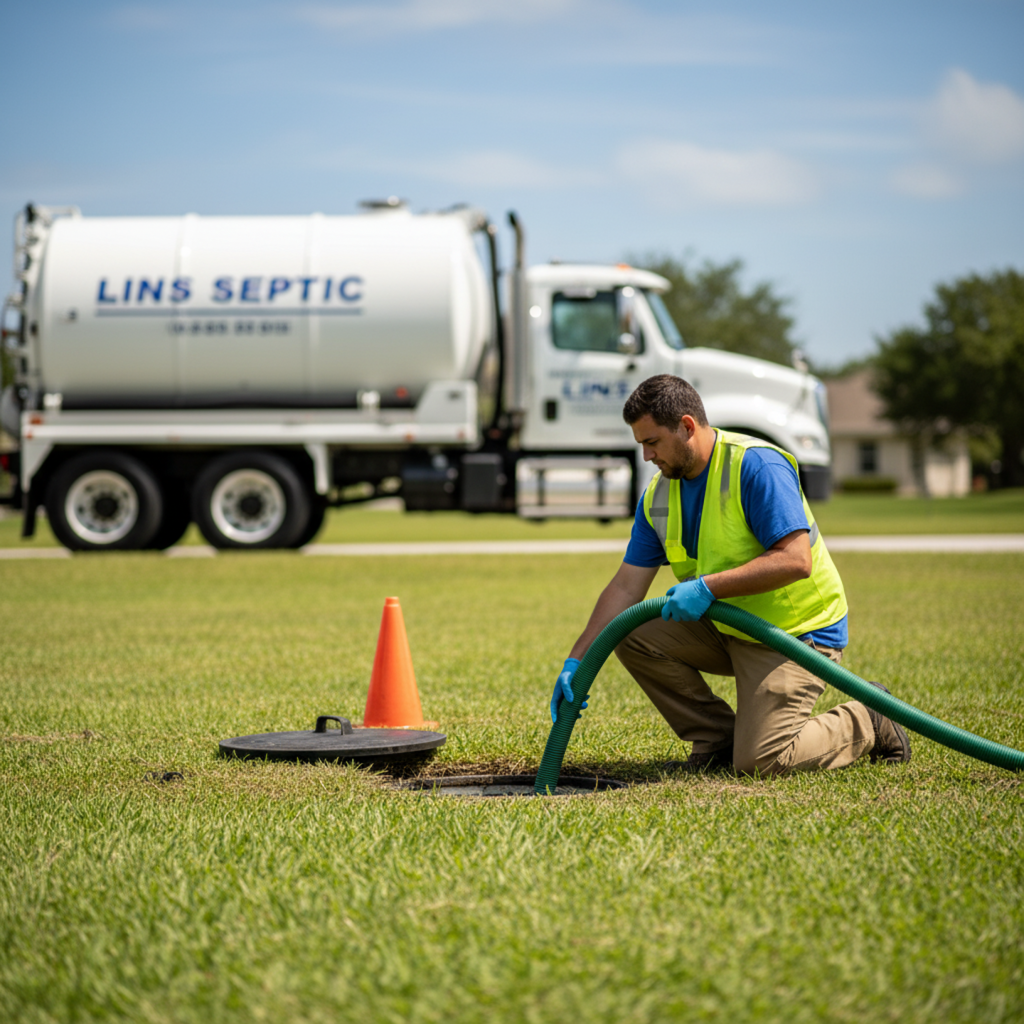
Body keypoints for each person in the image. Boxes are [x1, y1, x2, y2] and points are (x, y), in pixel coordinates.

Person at [552, 374, 910, 775]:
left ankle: (871, 719)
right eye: (641, 445)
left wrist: (708, 587)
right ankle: (718, 740)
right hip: (728, 627)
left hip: (794, 633)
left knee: (764, 761)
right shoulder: (659, 496)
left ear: (686, 427)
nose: (647, 456)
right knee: (629, 631)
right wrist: (576, 660)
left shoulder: (756, 465)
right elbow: (625, 587)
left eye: (651, 442)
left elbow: (795, 560)